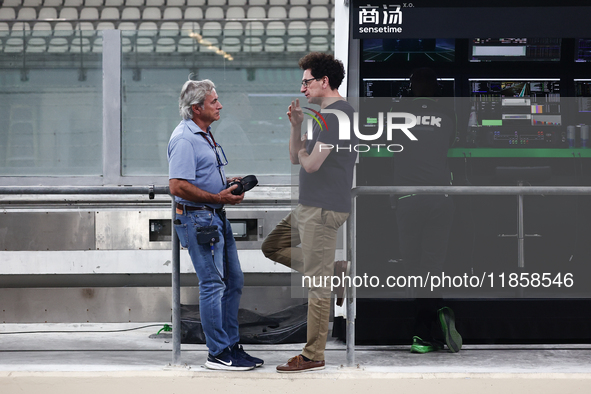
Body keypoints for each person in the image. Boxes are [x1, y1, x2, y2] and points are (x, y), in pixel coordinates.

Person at [261, 52, 358, 373]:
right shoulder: (322, 117)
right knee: (272, 247)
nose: (302, 88)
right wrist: (297, 128)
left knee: (318, 284)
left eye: (306, 82)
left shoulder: (337, 116)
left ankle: (314, 354)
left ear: (324, 81)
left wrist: (304, 150)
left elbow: (311, 163)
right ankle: (335, 271)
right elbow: (295, 156)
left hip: (323, 208)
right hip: (310, 205)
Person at [167, 79, 264, 370]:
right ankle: (218, 353)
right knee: (212, 284)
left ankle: (231, 345)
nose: (220, 105)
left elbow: (200, 175)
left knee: (233, 281)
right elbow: (177, 185)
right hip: (199, 218)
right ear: (197, 108)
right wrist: (215, 196)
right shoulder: (185, 138)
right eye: (214, 102)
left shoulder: (204, 134)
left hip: (214, 214)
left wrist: (227, 184)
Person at [391, 68, 462, 354]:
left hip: (408, 198)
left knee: (413, 266)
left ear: (411, 88)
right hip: (441, 197)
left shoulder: (397, 114)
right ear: (437, 90)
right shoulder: (448, 116)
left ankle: (423, 332)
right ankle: (436, 314)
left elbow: (387, 145)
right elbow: (451, 144)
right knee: (433, 265)